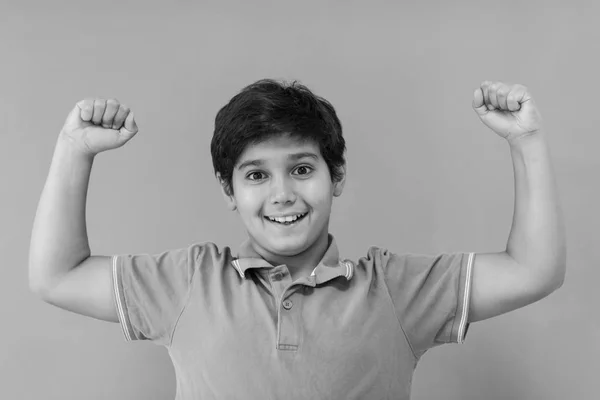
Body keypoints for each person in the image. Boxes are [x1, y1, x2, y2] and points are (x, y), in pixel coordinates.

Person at [28, 79, 566, 399]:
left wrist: (527, 141)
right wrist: (75, 150)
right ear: (229, 190)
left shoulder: (395, 290)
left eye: (302, 169)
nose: (283, 194)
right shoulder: (188, 282)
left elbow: (533, 270)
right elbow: (57, 276)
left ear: (337, 176)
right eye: (256, 175)